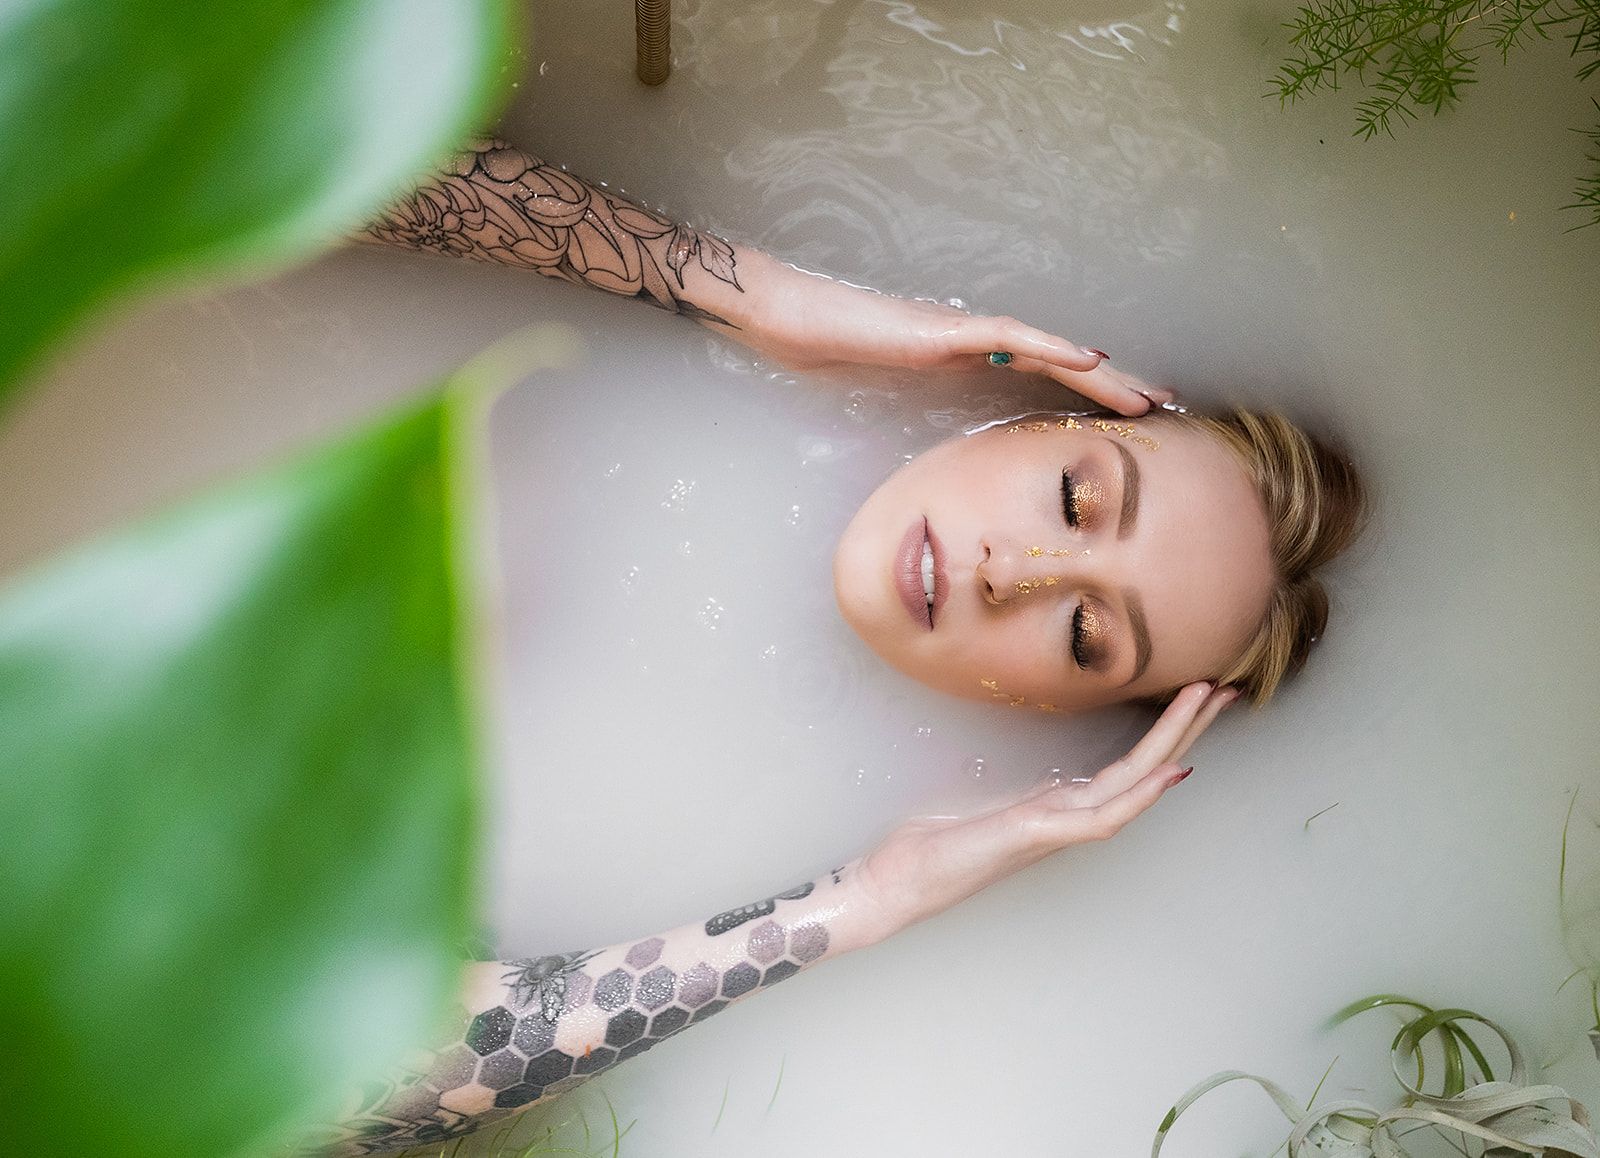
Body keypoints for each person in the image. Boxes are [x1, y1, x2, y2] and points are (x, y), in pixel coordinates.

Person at [303, 140, 1366, 1155]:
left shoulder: (784, 803)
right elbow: (283, 131)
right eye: (1078, 496)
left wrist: (865, 900)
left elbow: (339, 1069)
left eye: (1086, 633)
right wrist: (737, 288)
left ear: (1061, 712)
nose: (1014, 572)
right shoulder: (707, 398)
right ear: (1041, 412)